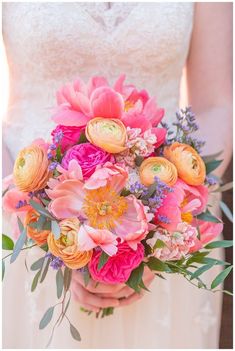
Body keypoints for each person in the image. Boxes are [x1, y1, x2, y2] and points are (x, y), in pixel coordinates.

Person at [2, 2, 232, 348]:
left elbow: (217, 102)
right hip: (26, 223)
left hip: (169, 231)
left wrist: (161, 239)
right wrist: (47, 229)